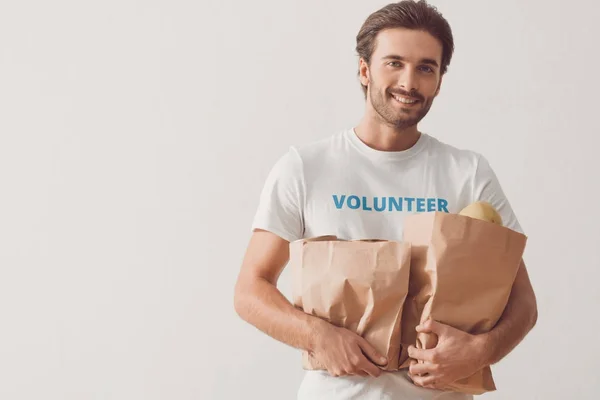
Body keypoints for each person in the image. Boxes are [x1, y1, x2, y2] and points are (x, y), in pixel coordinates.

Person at [233, 1, 538, 399]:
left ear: (439, 82)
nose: (409, 82)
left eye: (426, 68)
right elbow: (250, 290)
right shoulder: (305, 168)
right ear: (365, 70)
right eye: (394, 63)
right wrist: (318, 336)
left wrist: (481, 351)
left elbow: (524, 304)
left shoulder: (468, 173)